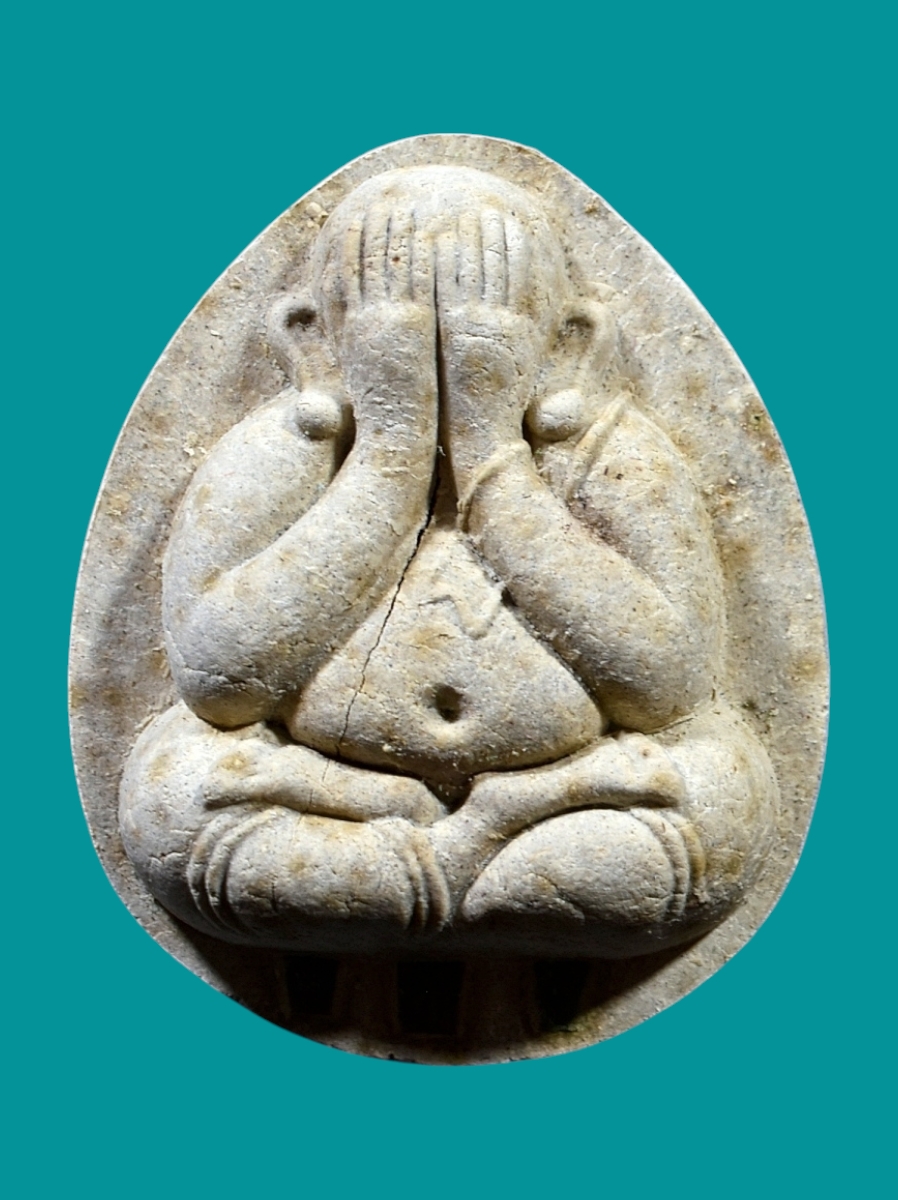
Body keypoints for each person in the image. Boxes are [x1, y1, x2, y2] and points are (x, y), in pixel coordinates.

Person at [120, 166, 777, 958]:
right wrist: (390, 460)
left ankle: (439, 872)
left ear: (568, 346)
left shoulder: (614, 457)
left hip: (564, 809)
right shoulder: (284, 451)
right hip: (330, 802)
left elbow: (668, 687)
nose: (437, 342)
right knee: (173, 798)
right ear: (312, 341)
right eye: (394, 315)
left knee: (718, 796)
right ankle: (470, 877)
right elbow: (218, 683)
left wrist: (492, 461)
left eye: (483, 315)